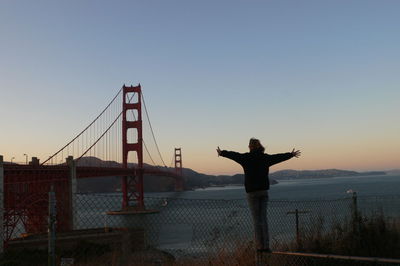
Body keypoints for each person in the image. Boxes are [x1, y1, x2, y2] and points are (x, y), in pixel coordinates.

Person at [216, 138, 301, 254]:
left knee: (256, 221)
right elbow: (278, 157)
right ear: (260, 146)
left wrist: (222, 153)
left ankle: (259, 247)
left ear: (250, 147)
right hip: (263, 192)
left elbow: (234, 155)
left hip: (252, 193)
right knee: (263, 219)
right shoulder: (265, 158)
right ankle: (266, 246)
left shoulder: (245, 158)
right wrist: (290, 154)